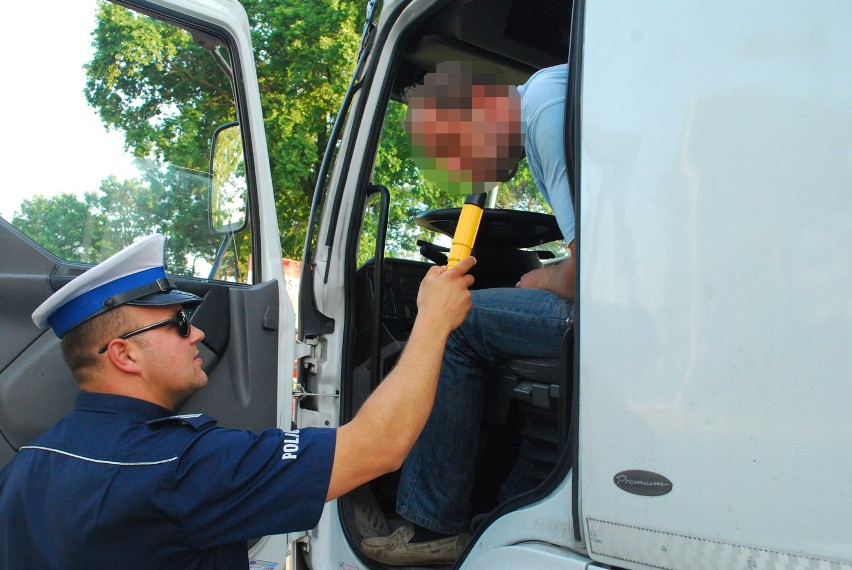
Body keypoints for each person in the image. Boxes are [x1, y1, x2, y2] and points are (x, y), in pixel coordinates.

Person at [0, 233, 475, 569]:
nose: (198, 333)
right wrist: (434, 319)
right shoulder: (184, 467)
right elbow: (380, 445)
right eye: (179, 324)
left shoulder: (25, 467)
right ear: (124, 354)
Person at [361, 62, 573, 566]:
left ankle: (432, 526)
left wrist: (542, 278)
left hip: (625, 310)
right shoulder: (553, 93)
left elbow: (597, 270)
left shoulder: (546, 112)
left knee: (456, 322)